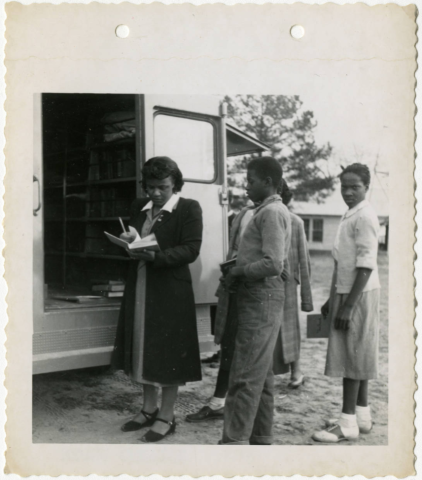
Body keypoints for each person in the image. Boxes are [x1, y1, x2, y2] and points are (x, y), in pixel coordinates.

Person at [112, 156, 203, 443]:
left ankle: (167, 415)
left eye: (162, 187)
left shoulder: (188, 208)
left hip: (170, 290)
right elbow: (137, 242)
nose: (155, 193)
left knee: (168, 351)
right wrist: (130, 240)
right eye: (150, 187)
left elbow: (190, 250)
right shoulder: (140, 207)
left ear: (175, 183)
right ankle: (148, 409)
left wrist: (157, 256)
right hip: (141, 284)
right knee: (142, 347)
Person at [220, 157, 291, 445]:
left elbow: (274, 263)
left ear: (268, 182)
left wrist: (238, 271)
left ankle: (232, 443)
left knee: (245, 374)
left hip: (261, 298)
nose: (246, 186)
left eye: (250, 181)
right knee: (261, 373)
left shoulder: (271, 212)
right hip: (259, 297)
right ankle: (261, 438)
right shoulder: (264, 211)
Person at [312, 163, 381, 443]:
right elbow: (346, 263)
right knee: (358, 352)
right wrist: (333, 298)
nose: (349, 192)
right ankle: (361, 417)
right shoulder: (350, 215)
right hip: (349, 291)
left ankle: (347, 423)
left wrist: (349, 305)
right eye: (345, 186)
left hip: (359, 294)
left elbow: (366, 265)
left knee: (352, 355)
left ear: (367, 187)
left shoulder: (365, 216)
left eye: (355, 187)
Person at [186, 201, 256, 423]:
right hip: (236, 287)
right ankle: (218, 402)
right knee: (229, 346)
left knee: (255, 354)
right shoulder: (244, 214)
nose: (247, 190)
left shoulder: (277, 216)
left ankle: (249, 409)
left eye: (252, 183)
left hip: (258, 294)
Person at [272, 180, 313, 387]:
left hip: (287, 280)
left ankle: (296, 371)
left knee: (289, 325)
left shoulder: (295, 221)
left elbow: (304, 258)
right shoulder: (258, 216)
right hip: (265, 277)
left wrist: (307, 296)